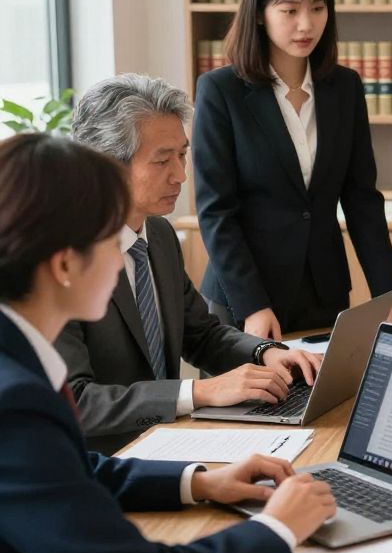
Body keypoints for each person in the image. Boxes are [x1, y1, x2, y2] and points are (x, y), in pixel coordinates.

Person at [0, 132, 336, 553]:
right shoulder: (14, 404)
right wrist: (277, 529)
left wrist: (199, 482)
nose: (122, 256)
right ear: (65, 264)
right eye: (108, 239)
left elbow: (68, 470)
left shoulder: (18, 362)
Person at [57, 74, 322, 454]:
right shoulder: (59, 260)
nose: (181, 176)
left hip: (169, 444)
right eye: (163, 160)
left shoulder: (160, 236)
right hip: (100, 465)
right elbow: (76, 402)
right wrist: (199, 391)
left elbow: (201, 335)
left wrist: (267, 352)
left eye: (182, 155)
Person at [192, 0, 392, 338]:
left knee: (327, 401)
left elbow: (361, 197)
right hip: (246, 300)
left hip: (323, 295)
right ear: (260, 14)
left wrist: (389, 291)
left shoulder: (344, 88)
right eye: (290, 10)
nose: (306, 25)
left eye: (317, 7)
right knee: (252, 402)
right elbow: (216, 212)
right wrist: (253, 306)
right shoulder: (220, 90)